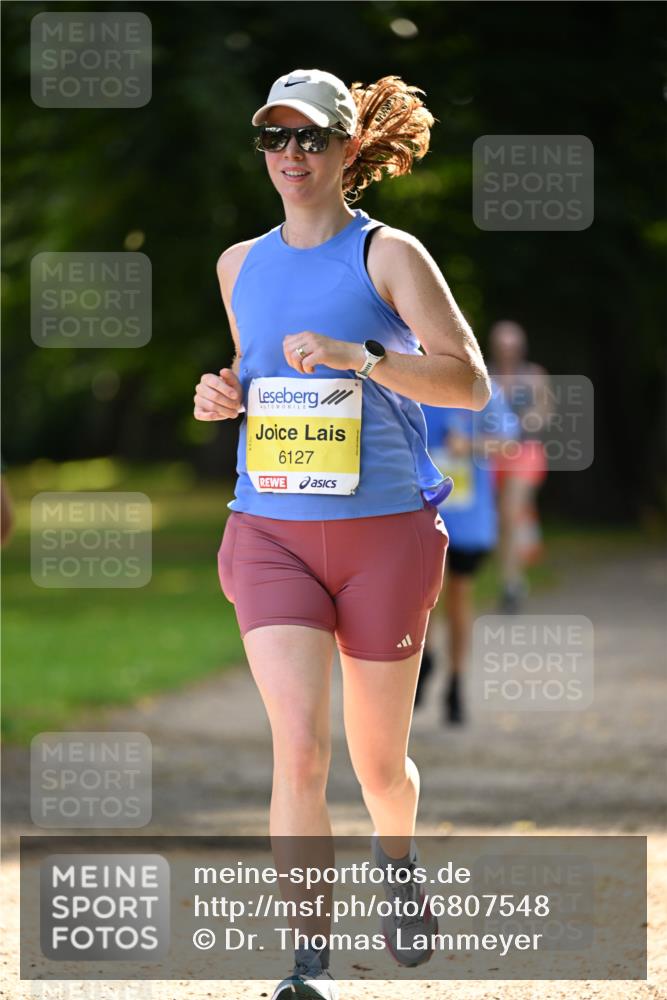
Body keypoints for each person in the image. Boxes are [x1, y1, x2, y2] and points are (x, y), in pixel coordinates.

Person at [193, 68, 491, 1000]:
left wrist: (368, 358)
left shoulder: (389, 255)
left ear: (348, 149)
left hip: (385, 537)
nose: (290, 156)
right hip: (271, 529)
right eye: (274, 138)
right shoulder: (238, 263)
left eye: (310, 138)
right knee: (300, 750)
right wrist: (220, 394)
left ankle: (396, 864)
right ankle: (306, 963)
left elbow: (469, 383)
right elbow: (256, 381)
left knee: (376, 764)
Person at [417, 389, 520, 723]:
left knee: (459, 596)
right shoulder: (413, 383)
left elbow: (509, 443)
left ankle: (455, 681)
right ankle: (425, 659)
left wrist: (470, 445)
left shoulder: (483, 390)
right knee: (429, 592)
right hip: (423, 512)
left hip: (468, 518)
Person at [488, 320, 552, 612]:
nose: (507, 351)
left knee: (510, 512)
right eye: (502, 346)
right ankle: (515, 569)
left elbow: (544, 413)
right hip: (492, 453)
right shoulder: (485, 374)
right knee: (503, 518)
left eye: (512, 345)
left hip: (525, 452)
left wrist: (519, 425)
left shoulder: (534, 376)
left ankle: (511, 583)